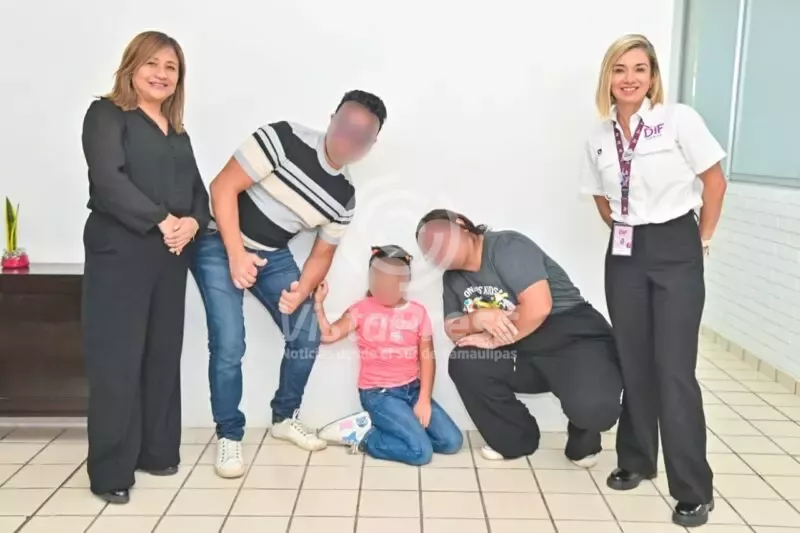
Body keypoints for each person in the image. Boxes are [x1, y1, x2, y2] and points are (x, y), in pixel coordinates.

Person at [191, 90, 387, 478]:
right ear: (332, 118)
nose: (349, 139)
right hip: (218, 242)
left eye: (362, 136)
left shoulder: (344, 199)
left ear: (370, 145)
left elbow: (321, 255)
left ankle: (284, 417)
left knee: (305, 333)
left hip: (272, 254)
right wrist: (236, 254)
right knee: (230, 342)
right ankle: (229, 434)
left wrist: (301, 291)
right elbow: (222, 187)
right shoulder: (283, 138)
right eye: (346, 126)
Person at [580, 34, 727, 527]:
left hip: (676, 247)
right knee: (634, 360)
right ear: (608, 77)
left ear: (652, 77)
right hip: (625, 251)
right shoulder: (599, 136)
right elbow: (599, 195)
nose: (629, 79)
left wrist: (701, 240)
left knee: (674, 370)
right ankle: (637, 459)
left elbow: (714, 182)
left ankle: (693, 488)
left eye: (639, 69)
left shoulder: (678, 119)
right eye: (619, 69)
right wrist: (625, 226)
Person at [80, 31, 210, 504]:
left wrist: (192, 223)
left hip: (170, 256)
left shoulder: (177, 132)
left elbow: (198, 193)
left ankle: (156, 451)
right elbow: (108, 180)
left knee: (161, 353)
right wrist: (163, 220)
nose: (161, 74)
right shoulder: (106, 115)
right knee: (118, 359)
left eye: (171, 67)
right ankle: (111, 469)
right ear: (131, 66)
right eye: (152, 63)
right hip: (120, 252)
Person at [415, 209, 623, 468]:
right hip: (520, 348)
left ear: (461, 224)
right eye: (429, 250)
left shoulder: (506, 246)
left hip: (571, 336)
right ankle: (514, 439)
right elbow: (451, 328)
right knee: (465, 360)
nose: (436, 251)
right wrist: (476, 319)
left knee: (595, 410)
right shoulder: (453, 278)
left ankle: (583, 435)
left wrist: (494, 341)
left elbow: (538, 307)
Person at [313, 245, 464, 465]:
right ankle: (364, 436)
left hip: (411, 390)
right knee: (421, 453)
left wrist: (423, 399)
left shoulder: (418, 312)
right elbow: (327, 335)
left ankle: (399, 432)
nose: (385, 286)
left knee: (451, 442)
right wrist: (318, 304)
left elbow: (427, 358)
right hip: (379, 394)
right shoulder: (361, 309)